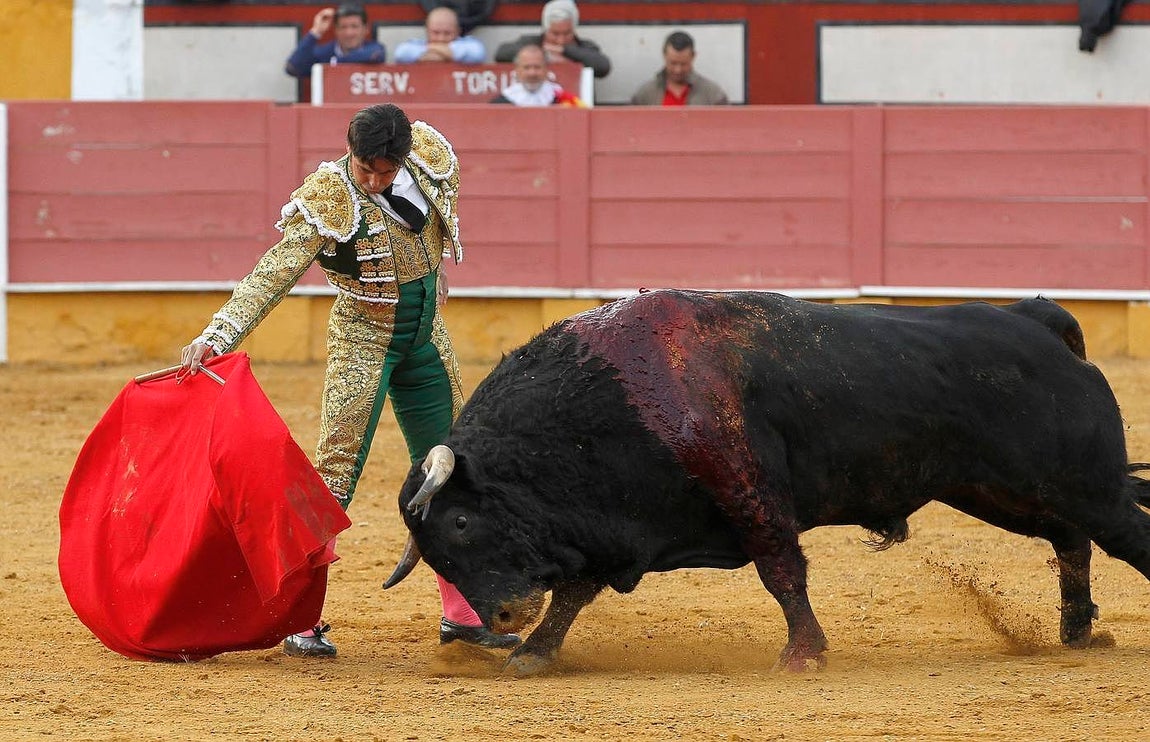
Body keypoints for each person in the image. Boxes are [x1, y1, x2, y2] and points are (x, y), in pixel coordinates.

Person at [178, 104, 520, 659]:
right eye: (365, 169)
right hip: (362, 341)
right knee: (332, 476)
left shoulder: (431, 161)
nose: (374, 181)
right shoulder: (329, 195)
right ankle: (301, 617)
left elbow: (432, 244)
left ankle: (462, 614)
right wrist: (219, 335)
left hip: (426, 342)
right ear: (350, 152)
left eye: (385, 172)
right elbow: (276, 271)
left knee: (454, 469)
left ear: (405, 157)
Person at [494, 0, 610, 79]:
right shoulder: (531, 42)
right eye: (555, 34)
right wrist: (542, 55)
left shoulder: (586, 47)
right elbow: (501, 54)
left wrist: (566, 51)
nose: (561, 40)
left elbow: (603, 67)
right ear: (546, 29)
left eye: (567, 33)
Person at [285, 3, 386, 78]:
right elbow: (293, 67)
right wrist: (316, 32)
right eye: (343, 27)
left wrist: (333, 63)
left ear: (366, 29)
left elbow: (375, 55)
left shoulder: (374, 48)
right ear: (336, 30)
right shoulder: (325, 53)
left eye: (354, 27)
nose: (349, 33)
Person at [630, 31, 730, 106]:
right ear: (664, 56)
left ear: (693, 56)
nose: (678, 70)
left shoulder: (713, 94)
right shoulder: (645, 94)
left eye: (683, 64)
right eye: (673, 63)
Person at [490, 44, 585, 106]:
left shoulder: (562, 101)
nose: (532, 73)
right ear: (517, 70)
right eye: (527, 68)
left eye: (537, 67)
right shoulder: (501, 102)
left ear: (546, 69)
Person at [393, 5, 486, 64]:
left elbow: (477, 53)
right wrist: (449, 54)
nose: (441, 38)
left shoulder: (468, 43)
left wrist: (432, 50)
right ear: (427, 31)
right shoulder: (416, 44)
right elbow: (401, 54)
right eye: (436, 32)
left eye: (447, 33)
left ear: (458, 31)